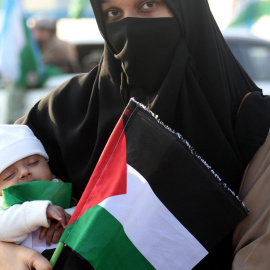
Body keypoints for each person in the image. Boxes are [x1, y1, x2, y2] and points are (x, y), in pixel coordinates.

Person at [1, 0, 270, 269]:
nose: (130, 25)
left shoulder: (248, 119)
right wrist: (7, 255)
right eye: (113, 13)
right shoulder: (64, 111)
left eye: (147, 5)